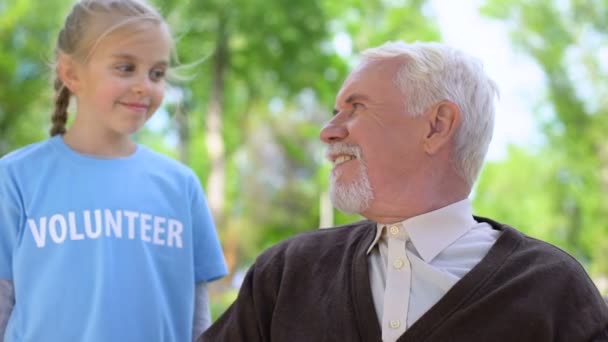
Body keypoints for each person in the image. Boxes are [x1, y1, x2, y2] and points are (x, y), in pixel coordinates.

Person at [200, 41, 608, 342]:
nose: (328, 132)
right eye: (334, 112)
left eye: (355, 108)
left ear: (436, 125)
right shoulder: (287, 272)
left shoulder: (553, 289)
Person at [0, 0, 228, 341]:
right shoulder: (15, 177)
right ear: (71, 73)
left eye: (157, 73)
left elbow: (197, 318)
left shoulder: (181, 185)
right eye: (125, 67)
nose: (144, 86)